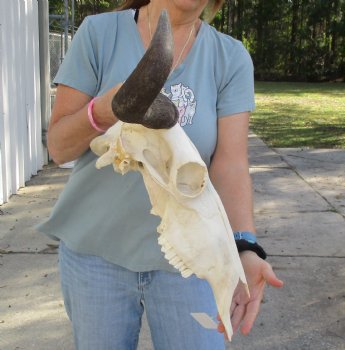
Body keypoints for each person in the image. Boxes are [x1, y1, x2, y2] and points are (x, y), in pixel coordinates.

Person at [37, 0, 283, 348]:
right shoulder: (98, 34)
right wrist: (104, 112)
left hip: (193, 261)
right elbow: (60, 147)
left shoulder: (230, 57)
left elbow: (230, 164)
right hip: (95, 258)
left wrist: (244, 246)